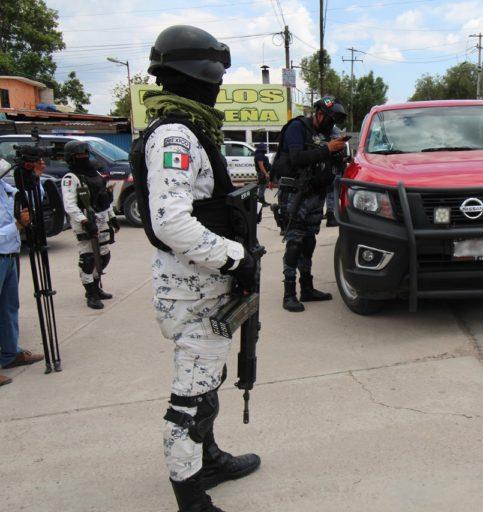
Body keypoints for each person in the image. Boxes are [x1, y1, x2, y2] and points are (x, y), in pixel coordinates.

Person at [134, 25, 260, 512]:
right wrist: (237, 257)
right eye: (214, 76)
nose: (218, 85)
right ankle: (191, 497)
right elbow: (170, 222)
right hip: (192, 293)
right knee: (188, 400)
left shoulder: (190, 129)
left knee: (207, 382)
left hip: (207, 289)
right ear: (192, 76)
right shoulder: (175, 134)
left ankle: (206, 459)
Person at [273, 96, 347, 312]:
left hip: (316, 194)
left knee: (308, 241)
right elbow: (296, 158)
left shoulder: (325, 135)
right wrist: (327, 149)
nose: (330, 125)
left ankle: (307, 287)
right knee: (294, 242)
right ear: (320, 113)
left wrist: (338, 154)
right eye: (329, 120)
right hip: (295, 194)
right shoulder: (297, 127)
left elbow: (324, 159)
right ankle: (289, 294)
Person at [0, 149, 45, 386]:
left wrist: (35, 177)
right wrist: (17, 225)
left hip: (9, 255)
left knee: (9, 307)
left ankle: (9, 353)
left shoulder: (4, 189)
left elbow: (29, 199)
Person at [61, 141, 119, 310]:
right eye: (80, 155)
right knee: (88, 259)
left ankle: (96, 286)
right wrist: (85, 222)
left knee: (103, 256)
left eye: (85, 154)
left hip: (101, 219)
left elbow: (104, 199)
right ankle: (90, 293)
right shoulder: (70, 178)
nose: (84, 157)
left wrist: (112, 217)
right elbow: (70, 205)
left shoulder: (96, 175)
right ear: (72, 158)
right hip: (85, 222)